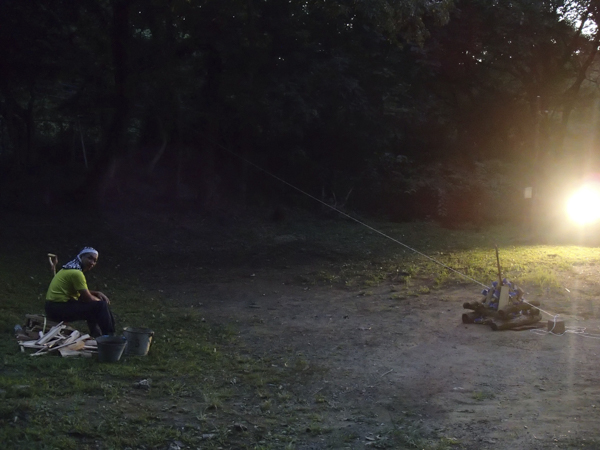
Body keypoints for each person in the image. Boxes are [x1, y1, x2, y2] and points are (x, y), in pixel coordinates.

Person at [45, 247, 115, 337]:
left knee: (94, 307)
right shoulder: (76, 273)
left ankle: (96, 334)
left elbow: (80, 291)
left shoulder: (68, 269)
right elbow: (87, 298)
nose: (92, 263)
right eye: (89, 258)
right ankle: (110, 337)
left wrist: (96, 293)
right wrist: (100, 302)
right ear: (81, 257)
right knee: (100, 306)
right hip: (57, 308)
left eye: (94, 260)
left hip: (53, 307)